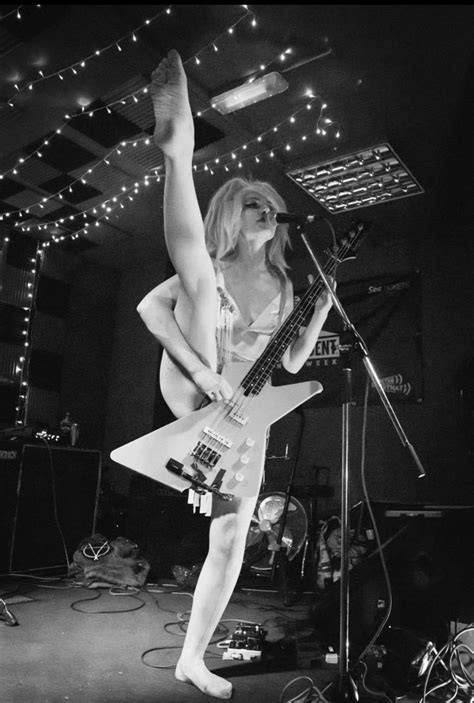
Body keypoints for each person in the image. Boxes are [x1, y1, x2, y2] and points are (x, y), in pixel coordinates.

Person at [137, 49, 334, 700]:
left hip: (233, 428)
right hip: (192, 384)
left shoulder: (282, 284)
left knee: (229, 540)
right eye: (253, 204)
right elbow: (149, 308)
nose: (264, 211)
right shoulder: (216, 265)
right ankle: (178, 152)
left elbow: (297, 360)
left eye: (269, 207)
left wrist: (321, 303)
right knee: (199, 283)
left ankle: (192, 657)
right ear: (233, 215)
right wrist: (204, 370)